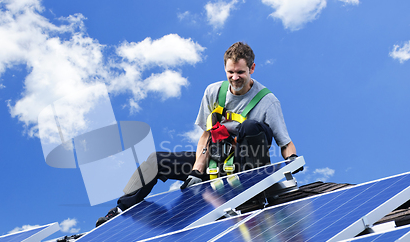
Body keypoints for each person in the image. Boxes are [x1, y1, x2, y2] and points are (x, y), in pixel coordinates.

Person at [96, 42, 297, 227]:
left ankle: (249, 194)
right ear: (225, 69)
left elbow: (285, 143)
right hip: (216, 160)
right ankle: (121, 209)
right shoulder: (213, 92)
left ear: (252, 69)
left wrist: (293, 162)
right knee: (155, 161)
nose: (235, 77)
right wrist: (196, 170)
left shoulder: (268, 101)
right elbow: (206, 134)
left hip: (246, 165)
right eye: (231, 72)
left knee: (251, 127)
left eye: (241, 72)